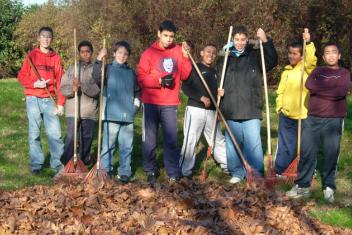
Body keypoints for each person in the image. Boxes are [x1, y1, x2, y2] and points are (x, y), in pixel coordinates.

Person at [286, 42, 351, 202]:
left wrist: (321, 90)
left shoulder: (344, 73)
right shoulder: (318, 71)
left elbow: (341, 91)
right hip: (313, 119)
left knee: (330, 153)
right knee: (307, 152)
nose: (330, 55)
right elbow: (309, 85)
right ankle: (303, 186)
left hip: (334, 120)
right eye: (327, 53)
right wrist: (331, 90)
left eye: (333, 52)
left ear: (339, 56)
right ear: (323, 57)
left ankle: (328, 186)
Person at [217, 25, 278, 184]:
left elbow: (272, 61)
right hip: (231, 107)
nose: (239, 42)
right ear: (232, 40)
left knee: (253, 143)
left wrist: (265, 40)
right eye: (236, 39)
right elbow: (219, 79)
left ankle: (256, 172)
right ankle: (237, 172)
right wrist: (219, 91)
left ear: (247, 39)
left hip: (251, 107)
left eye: (243, 39)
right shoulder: (225, 58)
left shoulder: (255, 56)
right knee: (232, 144)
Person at [137, 20, 192, 184]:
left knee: (170, 139)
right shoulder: (148, 53)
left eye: (171, 36)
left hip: (170, 103)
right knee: (150, 139)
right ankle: (150, 169)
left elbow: (185, 75)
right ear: (158, 34)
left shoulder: (177, 50)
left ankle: (173, 172)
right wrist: (158, 81)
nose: (168, 39)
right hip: (151, 102)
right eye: (166, 35)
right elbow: (141, 77)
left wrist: (186, 56)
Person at [18, 26, 65, 174]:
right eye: (43, 36)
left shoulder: (56, 58)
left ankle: (57, 163)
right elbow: (21, 76)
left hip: (49, 100)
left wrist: (60, 103)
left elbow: (61, 82)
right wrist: (34, 84)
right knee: (34, 133)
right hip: (33, 99)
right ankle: (36, 165)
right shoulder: (31, 56)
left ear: (52, 39)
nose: (46, 39)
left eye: (49, 36)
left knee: (55, 134)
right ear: (38, 38)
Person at [93, 40, 140, 183]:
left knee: (126, 146)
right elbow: (96, 77)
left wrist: (136, 106)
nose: (122, 56)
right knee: (108, 145)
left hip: (128, 115)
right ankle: (105, 170)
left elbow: (138, 91)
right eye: (119, 52)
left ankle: (125, 171)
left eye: (126, 54)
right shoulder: (106, 69)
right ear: (113, 54)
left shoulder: (131, 73)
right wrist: (99, 59)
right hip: (110, 114)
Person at [179, 44, 227, 177]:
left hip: (212, 111)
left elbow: (216, 95)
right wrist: (200, 97)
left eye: (213, 53)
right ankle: (184, 171)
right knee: (190, 139)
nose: (210, 55)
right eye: (207, 52)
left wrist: (220, 96)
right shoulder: (194, 67)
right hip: (195, 109)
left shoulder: (216, 72)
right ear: (201, 53)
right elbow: (185, 88)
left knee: (218, 139)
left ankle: (226, 165)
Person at [275, 29, 317, 175]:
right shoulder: (286, 72)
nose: (291, 56)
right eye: (290, 53)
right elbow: (280, 91)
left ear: (301, 55)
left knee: (306, 146)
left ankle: (308, 171)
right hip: (286, 115)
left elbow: (311, 60)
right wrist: (279, 106)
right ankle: (280, 170)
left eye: (295, 53)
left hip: (303, 115)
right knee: (286, 145)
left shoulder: (307, 69)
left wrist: (309, 43)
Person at [60, 40, 99, 165]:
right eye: (82, 52)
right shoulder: (72, 69)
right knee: (71, 137)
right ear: (79, 53)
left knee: (86, 138)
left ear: (91, 53)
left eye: (88, 52)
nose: (85, 54)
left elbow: (97, 90)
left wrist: (82, 86)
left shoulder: (96, 70)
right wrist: (73, 89)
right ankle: (66, 163)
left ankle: (82, 162)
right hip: (73, 110)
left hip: (89, 110)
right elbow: (63, 88)